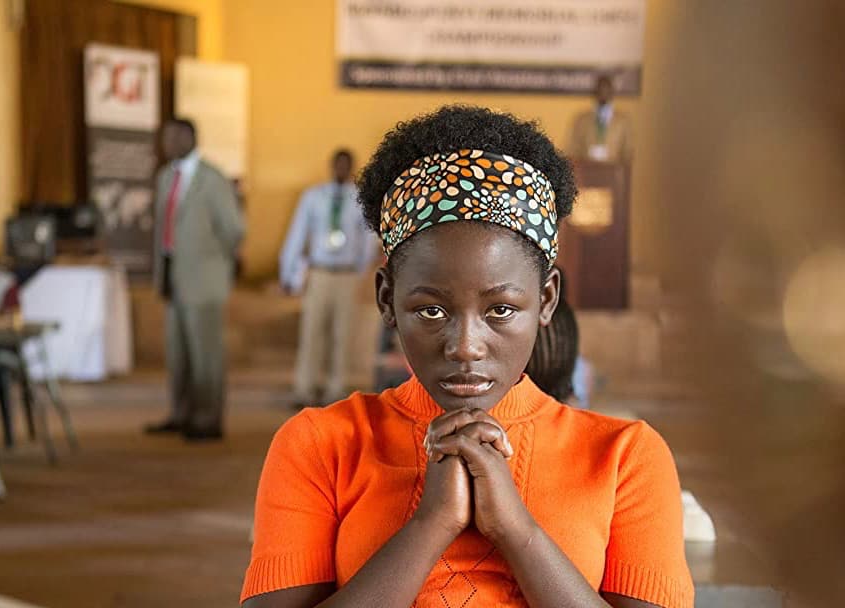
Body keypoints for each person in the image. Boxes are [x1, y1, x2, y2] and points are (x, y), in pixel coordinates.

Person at [242, 106, 692, 607]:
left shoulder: (625, 459)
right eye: (431, 310)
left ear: (545, 300)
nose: (465, 346)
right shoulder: (320, 446)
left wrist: (517, 532)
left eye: (500, 309)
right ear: (387, 299)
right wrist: (432, 524)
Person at [145, 119, 245, 442]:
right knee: (178, 353)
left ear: (189, 138)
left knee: (206, 355)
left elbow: (233, 229)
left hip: (205, 279)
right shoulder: (165, 178)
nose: (166, 144)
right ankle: (180, 413)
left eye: (172, 137)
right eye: (164, 139)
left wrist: (219, 265)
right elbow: (163, 230)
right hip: (173, 277)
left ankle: (208, 419)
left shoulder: (212, 179)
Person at [279, 149, 378, 408]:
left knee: (342, 332)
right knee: (312, 331)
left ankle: (336, 389)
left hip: (346, 274)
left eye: (347, 165)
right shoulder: (314, 196)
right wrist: (288, 271)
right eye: (338, 164)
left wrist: (360, 268)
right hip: (320, 271)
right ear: (332, 166)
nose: (342, 169)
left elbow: (368, 237)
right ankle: (305, 387)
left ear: (352, 168)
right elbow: (298, 233)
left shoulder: (359, 198)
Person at [568, 75, 634, 164]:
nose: (603, 93)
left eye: (607, 90)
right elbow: (573, 148)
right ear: (594, 92)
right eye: (600, 90)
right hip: (587, 170)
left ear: (612, 92)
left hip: (612, 171)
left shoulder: (623, 121)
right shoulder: (582, 120)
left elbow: (628, 152)